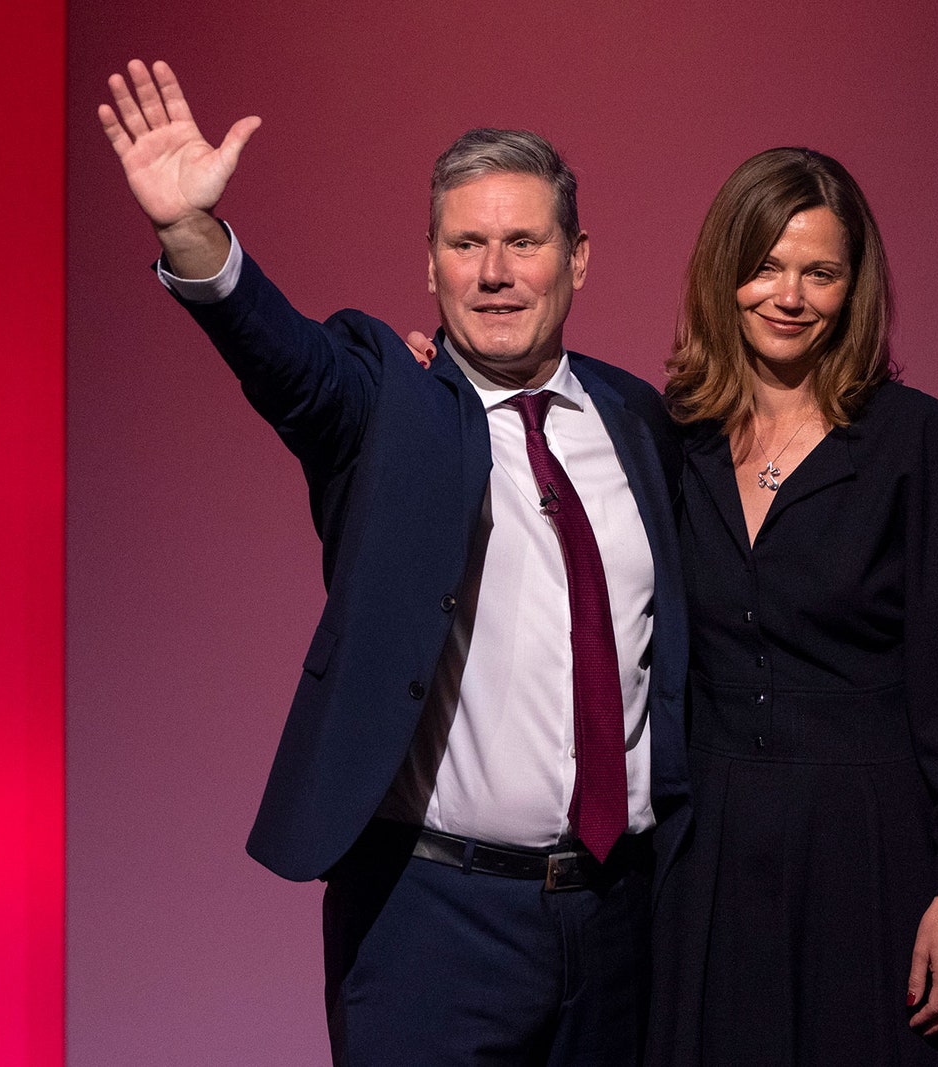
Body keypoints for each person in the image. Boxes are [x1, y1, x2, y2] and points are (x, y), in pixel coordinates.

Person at [97, 60, 689, 1066]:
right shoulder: (385, 401)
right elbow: (283, 359)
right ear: (430, 266)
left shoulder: (640, 420)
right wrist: (193, 234)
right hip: (432, 923)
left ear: (577, 259)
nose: (494, 271)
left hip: (624, 920)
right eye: (466, 245)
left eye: (522, 243)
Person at [648, 148, 938, 1065]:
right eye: (767, 266)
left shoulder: (918, 445)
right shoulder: (669, 438)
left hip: (873, 853)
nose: (790, 295)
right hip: (706, 855)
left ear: (852, 288)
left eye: (820, 272)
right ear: (725, 275)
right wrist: (443, 371)